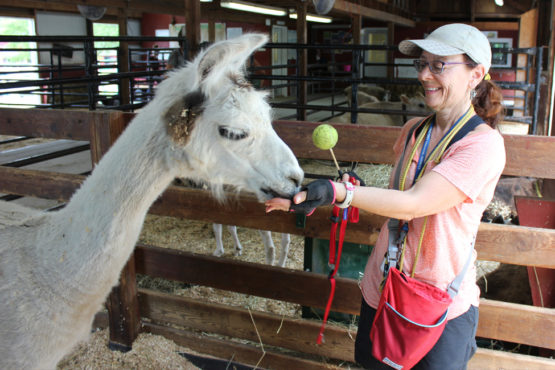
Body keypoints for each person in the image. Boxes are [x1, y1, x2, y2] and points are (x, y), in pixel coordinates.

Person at [265, 23, 506, 369]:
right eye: (421, 64)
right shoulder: (413, 131)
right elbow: (399, 196)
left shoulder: (482, 146)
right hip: (383, 289)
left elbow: (414, 205)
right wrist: (353, 188)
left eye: (439, 65)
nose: (424, 75)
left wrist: (343, 193)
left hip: (438, 302)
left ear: (476, 74)